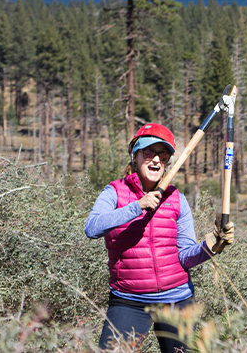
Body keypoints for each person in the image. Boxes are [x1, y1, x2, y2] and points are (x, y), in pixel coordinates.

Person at [85, 123, 234, 352]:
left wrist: (211, 246)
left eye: (162, 155)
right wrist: (137, 206)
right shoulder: (114, 192)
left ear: (167, 162)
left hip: (177, 299)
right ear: (134, 156)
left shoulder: (177, 199)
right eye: (148, 152)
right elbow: (92, 227)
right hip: (128, 301)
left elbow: (185, 257)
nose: (155, 160)